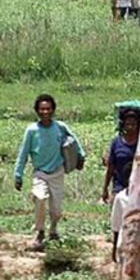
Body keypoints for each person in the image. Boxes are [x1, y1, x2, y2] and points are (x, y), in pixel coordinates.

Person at [14, 94, 86, 250]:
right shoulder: (31, 130)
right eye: (42, 109)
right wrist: (18, 175)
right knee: (39, 198)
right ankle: (40, 232)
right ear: (37, 111)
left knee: (56, 209)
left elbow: (75, 141)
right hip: (40, 173)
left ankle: (53, 229)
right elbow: (23, 153)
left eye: (48, 109)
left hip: (57, 171)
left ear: (53, 110)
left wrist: (81, 157)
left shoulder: (60, 127)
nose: (45, 112)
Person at [102, 108, 140, 204]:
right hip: (119, 186)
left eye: (133, 125)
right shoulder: (116, 143)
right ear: (123, 125)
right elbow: (111, 167)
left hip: (139, 187)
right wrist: (105, 188)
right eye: (128, 124)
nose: (130, 127)